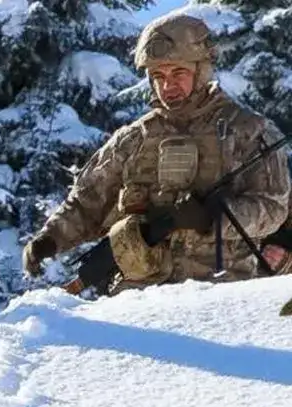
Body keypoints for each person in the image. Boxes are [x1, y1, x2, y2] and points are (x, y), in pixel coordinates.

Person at [22, 14, 290, 292]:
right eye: (158, 76)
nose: (167, 86)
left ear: (201, 71)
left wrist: (213, 219)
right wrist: (50, 240)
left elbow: (274, 208)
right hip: (139, 298)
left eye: (178, 73)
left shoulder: (248, 131)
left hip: (221, 294)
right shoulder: (134, 139)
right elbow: (87, 203)